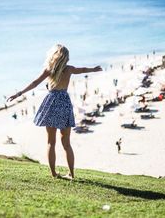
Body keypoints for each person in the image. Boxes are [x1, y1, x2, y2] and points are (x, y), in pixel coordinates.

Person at [7, 44, 102, 180]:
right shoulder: (69, 69)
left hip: (51, 103)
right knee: (67, 144)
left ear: (54, 56)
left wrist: (19, 93)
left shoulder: (49, 70)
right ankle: (71, 174)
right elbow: (83, 69)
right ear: (65, 58)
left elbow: (35, 83)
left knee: (51, 142)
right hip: (64, 102)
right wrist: (94, 69)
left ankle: (53, 173)